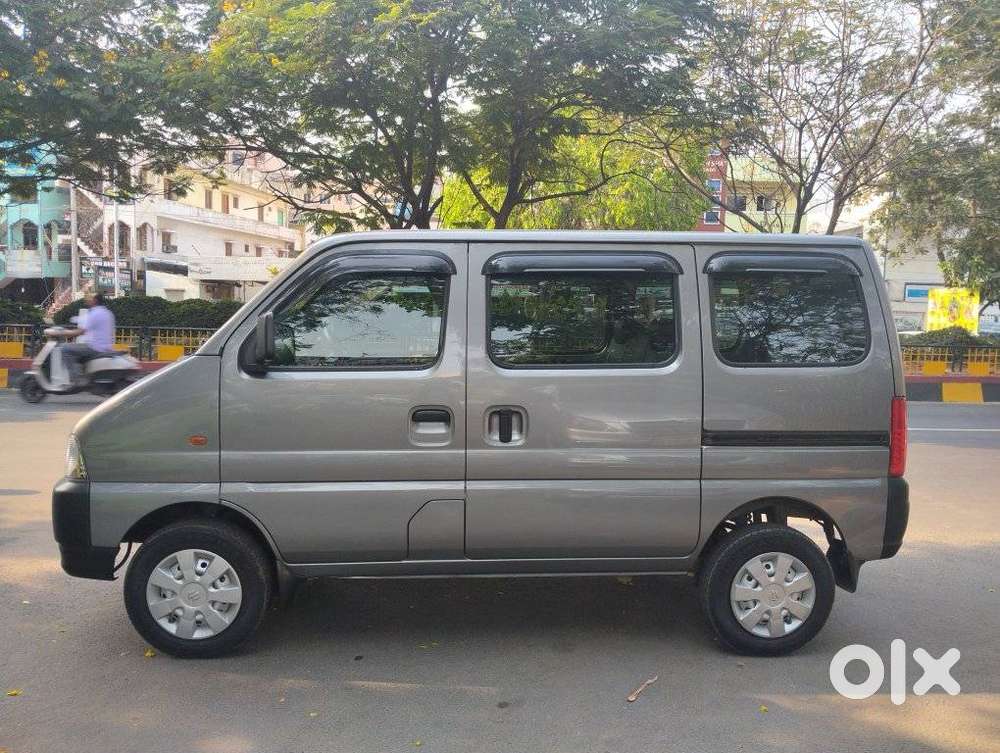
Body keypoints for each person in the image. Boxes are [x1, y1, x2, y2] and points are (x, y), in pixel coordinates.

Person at [63, 293, 116, 386]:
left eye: (90, 298)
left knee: (65, 349)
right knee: (77, 348)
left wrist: (64, 333)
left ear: (95, 300)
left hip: (94, 347)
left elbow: (81, 331)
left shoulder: (94, 313)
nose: (87, 300)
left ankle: (75, 379)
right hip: (106, 347)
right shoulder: (108, 313)